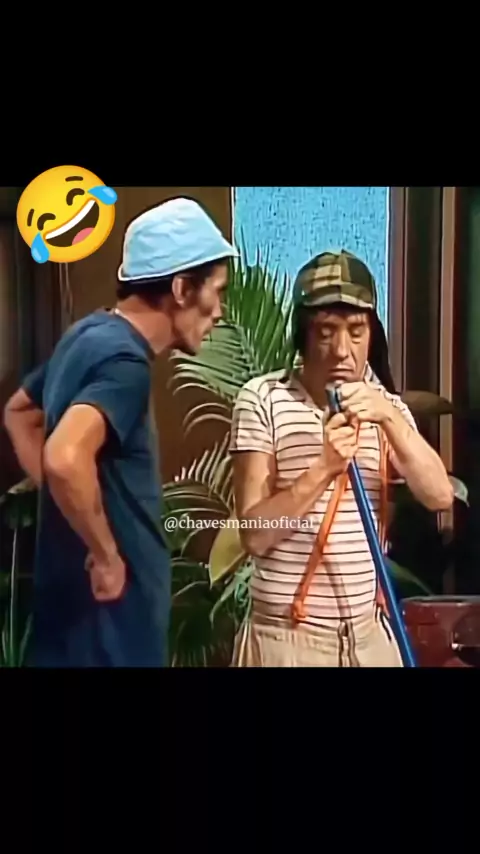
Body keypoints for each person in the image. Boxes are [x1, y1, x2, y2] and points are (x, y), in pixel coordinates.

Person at [3, 197, 238, 667]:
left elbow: (19, 413)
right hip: (109, 639)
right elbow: (65, 457)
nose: (220, 311)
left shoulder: (86, 335)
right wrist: (105, 554)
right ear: (181, 288)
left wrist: (70, 502)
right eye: (217, 291)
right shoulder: (124, 363)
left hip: (70, 633)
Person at [229, 249, 453, 667]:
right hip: (289, 642)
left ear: (372, 334)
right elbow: (255, 536)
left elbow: (440, 495)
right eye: (325, 331)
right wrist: (324, 468)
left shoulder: (386, 409)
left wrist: (389, 415)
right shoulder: (263, 399)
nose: (341, 351)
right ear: (302, 334)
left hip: (368, 639)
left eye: (356, 331)